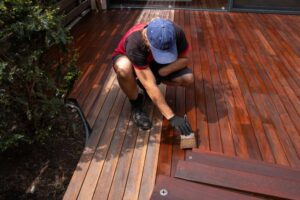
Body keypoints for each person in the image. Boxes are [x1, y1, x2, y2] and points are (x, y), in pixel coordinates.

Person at [112, 18, 194, 136]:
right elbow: (150, 85)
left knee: (188, 78)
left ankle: (151, 79)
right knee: (123, 69)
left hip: (153, 63)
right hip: (131, 61)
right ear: (147, 39)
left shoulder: (176, 32)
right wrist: (172, 117)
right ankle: (136, 104)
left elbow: (184, 59)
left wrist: (162, 72)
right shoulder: (135, 42)